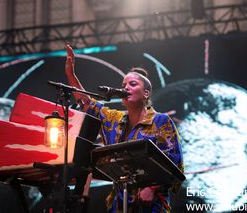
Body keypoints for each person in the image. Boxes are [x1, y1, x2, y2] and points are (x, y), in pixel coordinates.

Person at [64, 44, 184, 213]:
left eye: (133, 84)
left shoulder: (161, 121)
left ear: (146, 93)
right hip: (119, 205)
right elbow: (88, 103)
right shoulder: (114, 120)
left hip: (150, 205)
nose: (125, 88)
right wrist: (71, 74)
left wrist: (152, 188)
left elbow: (174, 161)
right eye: (124, 84)